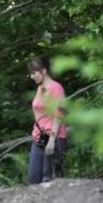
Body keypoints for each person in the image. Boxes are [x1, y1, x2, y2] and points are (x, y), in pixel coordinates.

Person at [26, 57, 68, 185]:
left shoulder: (56, 88)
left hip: (53, 139)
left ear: (43, 71)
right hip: (39, 137)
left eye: (34, 73)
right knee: (33, 179)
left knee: (48, 179)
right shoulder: (40, 88)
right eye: (30, 74)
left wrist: (51, 140)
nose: (31, 76)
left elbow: (59, 114)